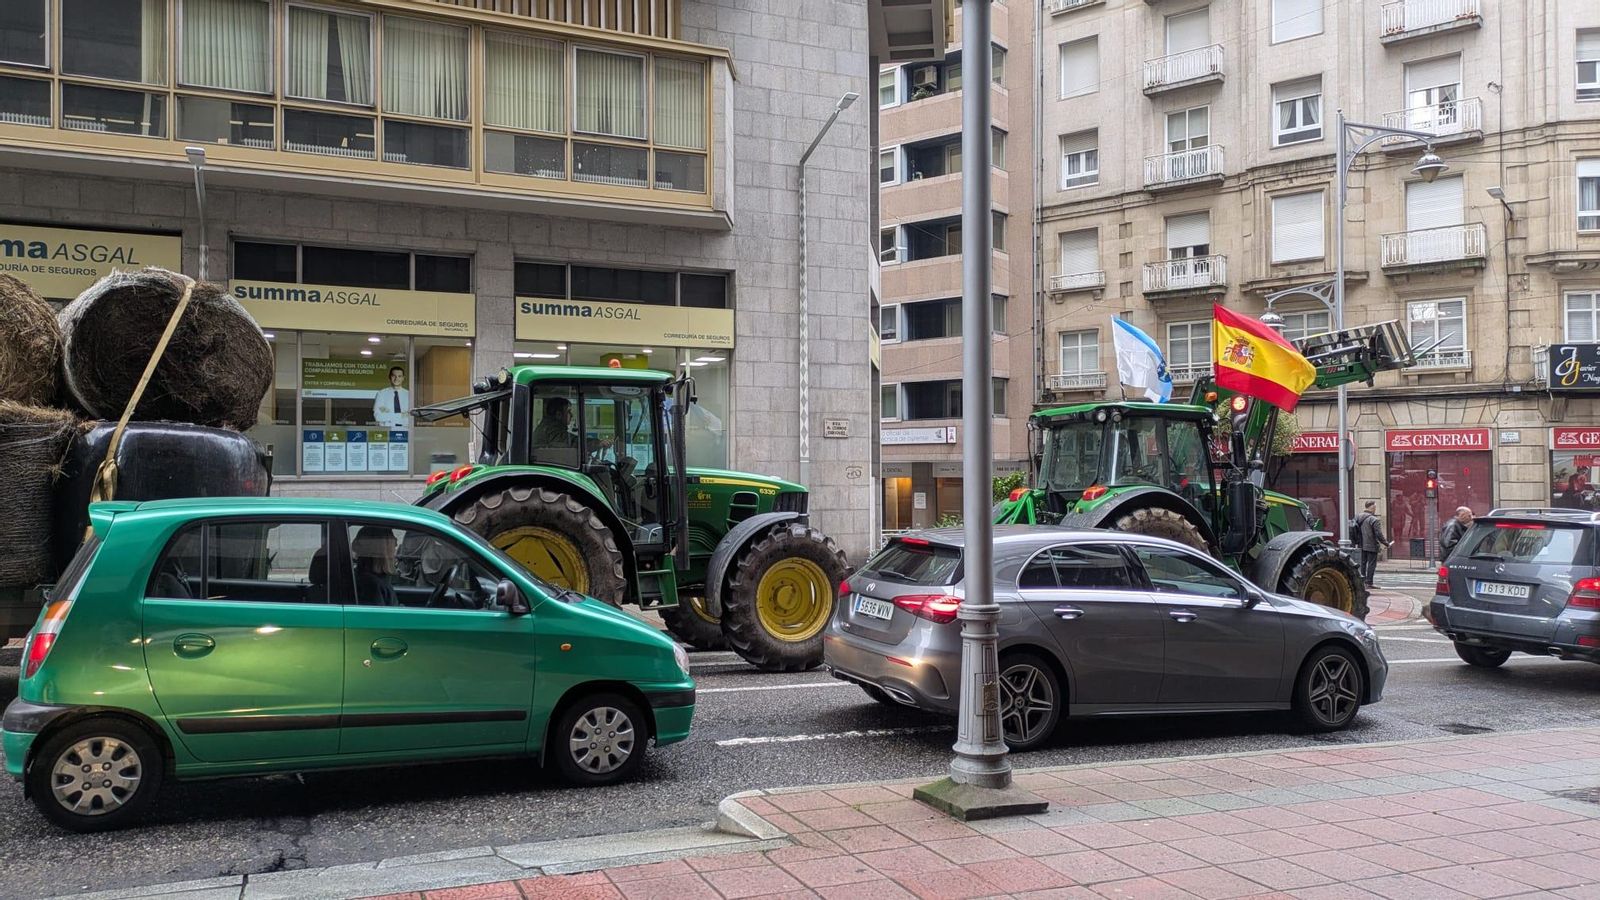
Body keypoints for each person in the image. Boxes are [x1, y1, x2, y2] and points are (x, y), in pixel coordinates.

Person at [351, 525, 399, 606]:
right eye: (390, 538)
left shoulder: (365, 578)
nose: (396, 543)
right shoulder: (372, 586)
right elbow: (381, 617)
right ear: (382, 549)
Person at [1353, 500, 1391, 588]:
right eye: (1375, 507)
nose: (1375, 509)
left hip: (1361, 544)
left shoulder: (1358, 517)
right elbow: (1378, 534)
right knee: (1371, 564)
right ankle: (1369, 582)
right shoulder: (1374, 519)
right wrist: (1386, 543)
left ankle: (1362, 581)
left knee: (1362, 563)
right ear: (1372, 507)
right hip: (1371, 545)